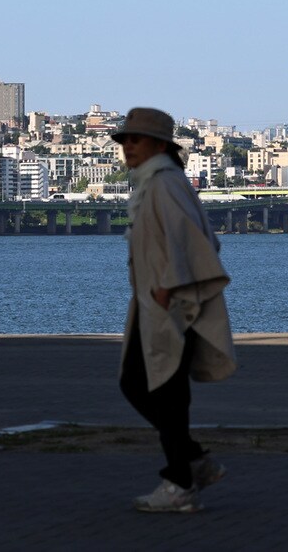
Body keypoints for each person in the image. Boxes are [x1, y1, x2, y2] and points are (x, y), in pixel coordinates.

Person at [113, 107, 237, 514]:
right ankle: (193, 464)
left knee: (157, 389)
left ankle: (181, 480)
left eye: (136, 139)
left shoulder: (164, 184)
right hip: (154, 306)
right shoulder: (156, 183)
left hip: (169, 306)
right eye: (125, 139)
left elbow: (191, 238)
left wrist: (170, 285)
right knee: (156, 388)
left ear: (160, 145)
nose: (128, 146)